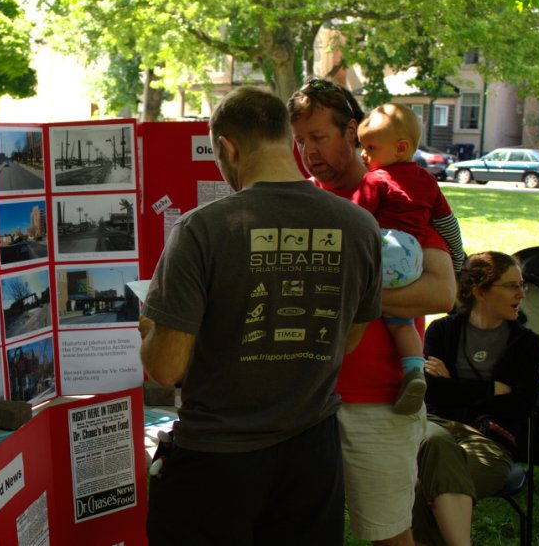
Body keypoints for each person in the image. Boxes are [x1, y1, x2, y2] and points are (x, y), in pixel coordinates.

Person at [140, 86, 383, 545]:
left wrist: (152, 328)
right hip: (313, 457)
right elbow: (347, 338)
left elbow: (165, 367)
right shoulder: (359, 226)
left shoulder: (201, 229)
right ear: (288, 140)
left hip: (217, 460)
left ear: (229, 147)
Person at [288, 78, 456, 546]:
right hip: (300, 403)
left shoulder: (395, 193)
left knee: (388, 536)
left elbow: (442, 292)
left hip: (379, 401)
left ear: (352, 134)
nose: (308, 152)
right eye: (299, 141)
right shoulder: (294, 200)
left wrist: (344, 297)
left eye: (318, 137)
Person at [414, 251, 539, 546]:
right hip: (434, 428)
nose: (522, 294)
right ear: (480, 291)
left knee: (423, 489)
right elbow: (432, 391)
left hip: (490, 444)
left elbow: (521, 406)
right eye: (511, 286)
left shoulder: (526, 344)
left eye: (522, 285)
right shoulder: (442, 331)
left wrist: (454, 386)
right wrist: (492, 389)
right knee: (435, 439)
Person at [355, 103, 466, 414]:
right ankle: (414, 371)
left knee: (352, 299)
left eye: (370, 147)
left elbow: (356, 220)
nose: (364, 155)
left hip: (383, 248)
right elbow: (447, 224)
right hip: (412, 260)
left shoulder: (375, 180)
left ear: (400, 147)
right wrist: (457, 261)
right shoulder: (428, 181)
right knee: (401, 321)